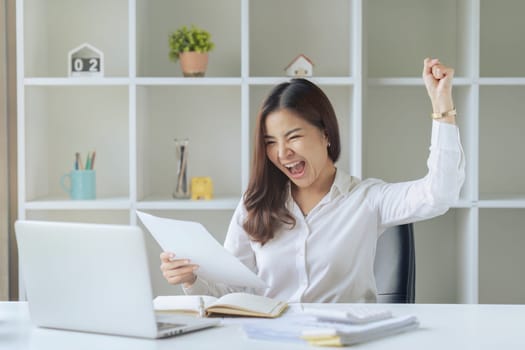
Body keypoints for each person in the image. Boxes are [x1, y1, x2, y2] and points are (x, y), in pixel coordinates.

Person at [160, 57, 465, 303]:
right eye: (270, 142)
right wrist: (190, 279)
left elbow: (440, 194)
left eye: (293, 137)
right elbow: (229, 295)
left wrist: (443, 108)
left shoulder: (367, 199)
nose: (282, 153)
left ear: (326, 135)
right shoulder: (255, 205)